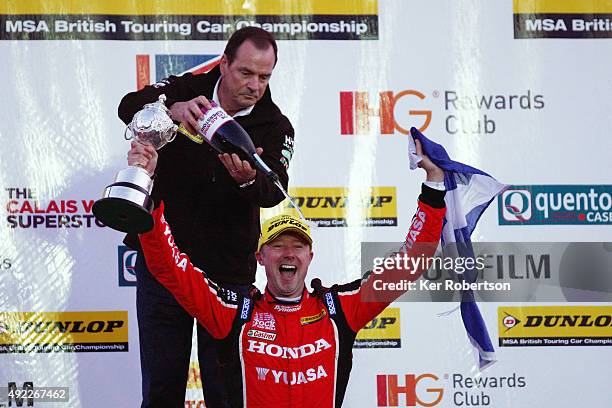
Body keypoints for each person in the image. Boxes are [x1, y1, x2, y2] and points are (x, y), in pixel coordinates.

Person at [134, 139, 446, 407]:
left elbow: (411, 262)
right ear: (260, 257)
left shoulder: (339, 309)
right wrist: (146, 185)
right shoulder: (234, 313)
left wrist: (433, 185)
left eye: (297, 246)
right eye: (277, 245)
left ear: (310, 257)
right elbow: (170, 268)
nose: (288, 253)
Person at [118, 27, 295, 408]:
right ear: (225, 63)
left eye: (265, 77)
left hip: (228, 273)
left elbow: (274, 189)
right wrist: (170, 110)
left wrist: (248, 182)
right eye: (246, 73)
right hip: (164, 266)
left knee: (227, 393)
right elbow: (127, 105)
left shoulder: (275, 125)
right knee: (162, 391)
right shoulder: (186, 90)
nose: (255, 85)